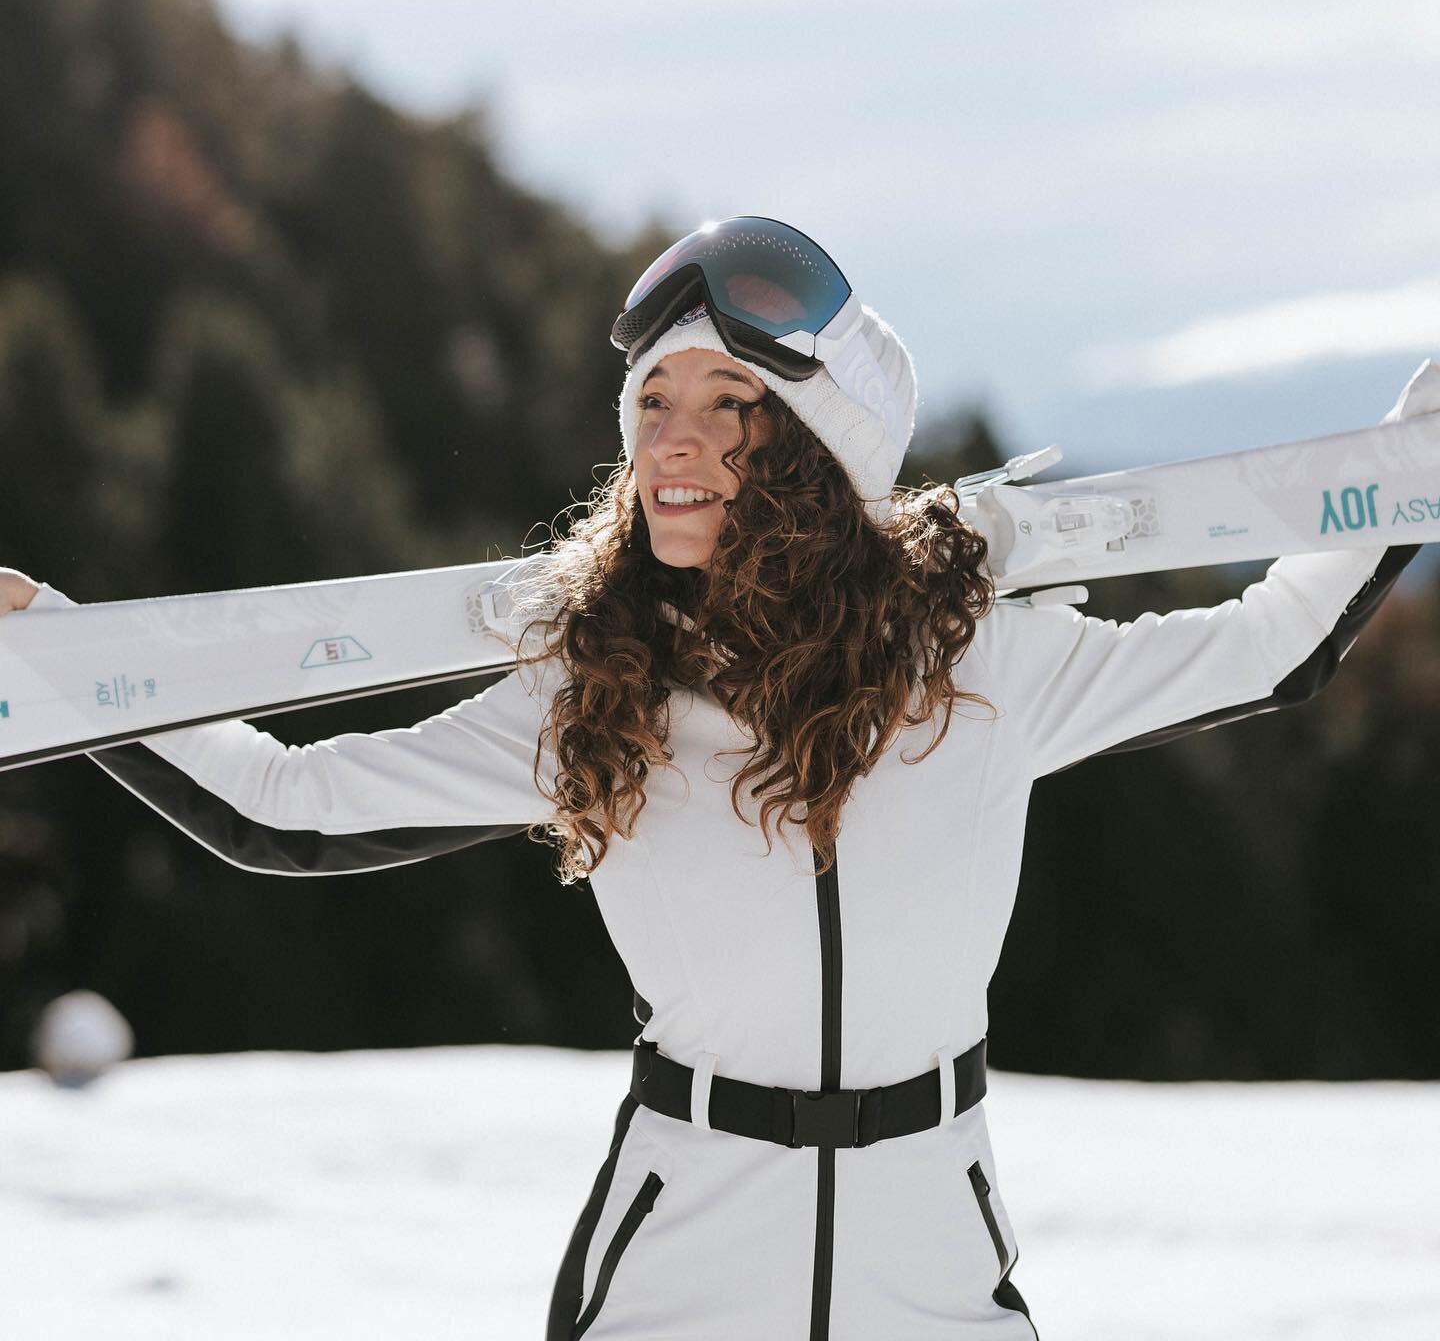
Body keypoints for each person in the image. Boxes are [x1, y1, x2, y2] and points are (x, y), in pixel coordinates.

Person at [0, 216, 1426, 1339]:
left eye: (727, 400)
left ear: (823, 446)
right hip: (681, 1260)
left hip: (930, 1254)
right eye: (652, 401)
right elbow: (283, 808)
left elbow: (1269, 650)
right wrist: (54, 655)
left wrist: (1406, 466)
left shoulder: (986, 663)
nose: (669, 438)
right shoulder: (589, 702)